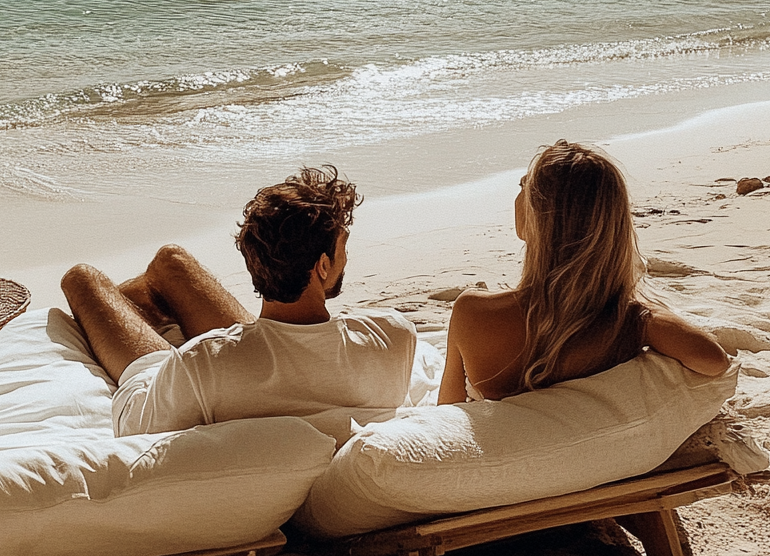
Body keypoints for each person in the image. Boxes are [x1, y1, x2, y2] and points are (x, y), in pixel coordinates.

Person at [62, 166, 417, 436]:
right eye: (343, 247)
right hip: (258, 360)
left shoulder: (203, 364)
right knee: (171, 261)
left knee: (82, 279)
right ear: (323, 266)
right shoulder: (393, 337)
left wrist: (149, 371)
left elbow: (130, 425)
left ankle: (145, 300)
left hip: (179, 379)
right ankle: (153, 293)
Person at [439, 140, 729, 405]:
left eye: (523, 185)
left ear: (538, 218)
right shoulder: (626, 323)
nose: (518, 195)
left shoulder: (474, 313)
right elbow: (715, 361)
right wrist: (642, 313)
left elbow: (446, 413)